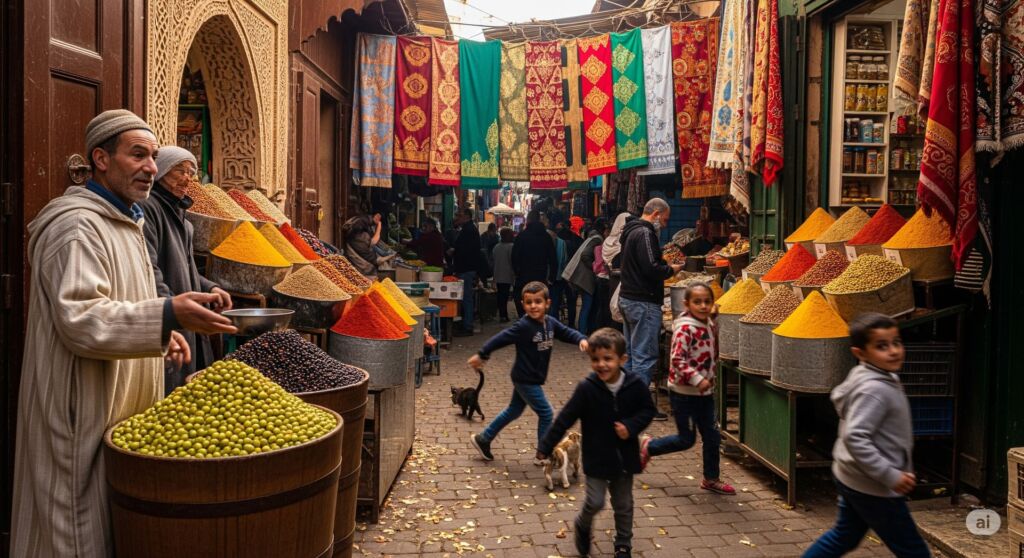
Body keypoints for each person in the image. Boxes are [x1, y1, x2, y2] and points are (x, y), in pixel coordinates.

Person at [10, 109, 238, 558]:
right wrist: (167, 314)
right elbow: (82, 319)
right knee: (74, 534)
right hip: (81, 408)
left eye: (153, 156)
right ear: (100, 158)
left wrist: (161, 327)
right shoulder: (76, 225)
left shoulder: (124, 221)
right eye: (138, 155)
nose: (151, 168)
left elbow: (126, 298)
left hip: (116, 405)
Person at [802, 314, 930, 558]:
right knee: (914, 551)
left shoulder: (874, 375)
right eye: (882, 346)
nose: (893, 351)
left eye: (896, 342)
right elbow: (855, 437)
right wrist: (889, 474)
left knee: (844, 536)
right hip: (875, 486)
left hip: (853, 477)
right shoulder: (875, 389)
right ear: (860, 353)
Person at [538, 328, 656, 558]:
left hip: (624, 458)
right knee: (595, 501)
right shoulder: (587, 389)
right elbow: (565, 418)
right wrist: (546, 445)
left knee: (623, 504)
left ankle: (623, 543)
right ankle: (583, 523)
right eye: (595, 359)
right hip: (596, 457)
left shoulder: (634, 384)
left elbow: (648, 410)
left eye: (607, 359)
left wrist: (631, 427)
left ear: (622, 359)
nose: (601, 364)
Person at [141, 146, 234, 393]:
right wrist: (169, 310)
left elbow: (188, 267)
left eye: (191, 172)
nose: (187, 178)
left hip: (186, 317)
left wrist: (210, 287)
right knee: (168, 390)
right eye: (179, 171)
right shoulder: (150, 208)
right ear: (160, 172)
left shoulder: (180, 214)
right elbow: (149, 270)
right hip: (168, 317)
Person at [468, 281, 588, 461]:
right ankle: (544, 452)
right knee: (546, 413)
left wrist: (581, 339)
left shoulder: (550, 323)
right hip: (525, 378)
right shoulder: (523, 326)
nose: (534, 306)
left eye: (538, 301)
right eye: (529, 302)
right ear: (523, 305)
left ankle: (483, 438)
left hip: (532, 378)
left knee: (513, 410)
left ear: (547, 303)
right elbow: (500, 338)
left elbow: (567, 332)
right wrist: (482, 354)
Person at [639, 283, 735, 495]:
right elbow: (677, 360)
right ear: (686, 304)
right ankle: (649, 447)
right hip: (684, 394)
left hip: (705, 394)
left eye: (707, 302)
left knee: (712, 435)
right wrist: (698, 379)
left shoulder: (709, 324)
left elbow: (712, 347)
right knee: (686, 439)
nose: (702, 306)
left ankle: (711, 478)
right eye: (697, 302)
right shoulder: (684, 329)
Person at [619, 199, 682, 419]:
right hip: (642, 301)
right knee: (644, 356)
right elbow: (651, 268)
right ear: (655, 214)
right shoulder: (645, 233)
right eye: (664, 219)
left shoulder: (631, 231)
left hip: (629, 300)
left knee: (633, 356)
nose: (664, 225)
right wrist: (670, 269)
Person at [511, 209, 558, 317]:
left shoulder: (521, 236)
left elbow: (514, 257)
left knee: (523, 303)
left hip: (524, 277)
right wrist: (551, 278)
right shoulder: (546, 237)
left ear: (529, 220)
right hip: (540, 277)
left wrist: (517, 272)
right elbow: (553, 259)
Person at [563, 220, 604, 335]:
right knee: (587, 305)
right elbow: (585, 255)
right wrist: (595, 267)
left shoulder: (591, 238)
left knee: (587, 305)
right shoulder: (597, 239)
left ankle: (584, 330)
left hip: (581, 277)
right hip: (585, 278)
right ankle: (581, 332)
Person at [597, 213, 630, 330]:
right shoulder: (623, 242)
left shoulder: (607, 241)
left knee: (606, 308)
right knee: (616, 310)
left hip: (608, 279)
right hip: (620, 281)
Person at [452, 208, 481, 336]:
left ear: (467, 216)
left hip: (466, 268)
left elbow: (466, 250)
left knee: (466, 297)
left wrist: (454, 251)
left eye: (461, 215)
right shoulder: (468, 229)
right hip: (466, 268)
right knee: (465, 297)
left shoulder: (469, 230)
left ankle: (467, 326)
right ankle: (465, 323)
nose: (458, 217)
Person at [551, 221, 583, 328]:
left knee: (555, 300)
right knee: (571, 300)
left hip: (558, 274)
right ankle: (571, 324)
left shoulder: (555, 239)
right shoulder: (578, 240)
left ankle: (554, 325)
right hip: (572, 274)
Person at [342, 213, 387, 279]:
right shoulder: (361, 225)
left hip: (355, 250)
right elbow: (373, 241)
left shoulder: (365, 221)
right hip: (355, 253)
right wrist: (379, 227)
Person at [492, 227, 516, 322]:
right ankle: (504, 315)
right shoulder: (511, 247)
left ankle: (503, 314)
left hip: (498, 274)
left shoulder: (496, 247)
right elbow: (513, 261)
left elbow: (493, 260)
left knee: (501, 295)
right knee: (504, 296)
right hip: (507, 274)